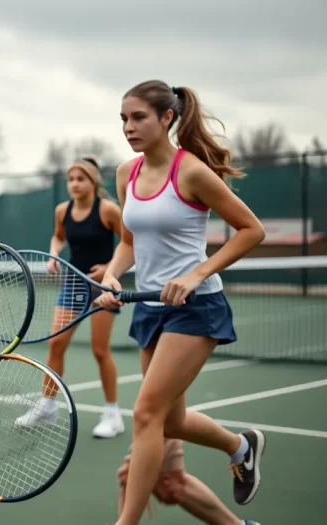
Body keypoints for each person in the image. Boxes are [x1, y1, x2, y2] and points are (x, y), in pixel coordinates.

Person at [95, 80, 267, 525]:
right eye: (124, 119)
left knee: (146, 413)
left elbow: (252, 230)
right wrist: (114, 274)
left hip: (196, 309)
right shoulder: (125, 173)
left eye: (138, 117)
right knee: (169, 421)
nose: (128, 127)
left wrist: (196, 274)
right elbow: (130, 241)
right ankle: (240, 446)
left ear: (166, 118)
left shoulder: (190, 172)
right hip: (150, 309)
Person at [15, 156, 125, 439]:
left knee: (100, 350)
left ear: (93, 182)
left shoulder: (109, 211)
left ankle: (113, 415)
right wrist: (54, 254)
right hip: (73, 285)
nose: (75, 184)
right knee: (56, 343)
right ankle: (48, 407)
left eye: (81, 179)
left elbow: (131, 243)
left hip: (103, 288)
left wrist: (109, 269)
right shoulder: (62, 210)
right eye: (71, 179)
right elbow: (58, 236)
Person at [117, 439, 260, 525]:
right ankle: (240, 445)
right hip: (155, 411)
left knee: (131, 474)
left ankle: (240, 445)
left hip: (154, 412)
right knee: (173, 485)